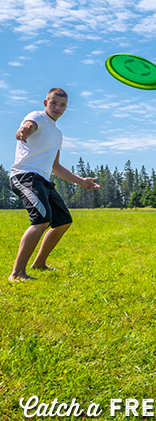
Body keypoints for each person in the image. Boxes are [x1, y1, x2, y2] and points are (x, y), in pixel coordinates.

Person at [9, 88, 99, 281]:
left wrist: (82, 182)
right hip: (25, 176)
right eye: (54, 103)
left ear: (66, 108)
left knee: (63, 220)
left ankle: (40, 263)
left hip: (42, 180)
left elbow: (55, 166)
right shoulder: (37, 117)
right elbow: (28, 126)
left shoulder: (57, 133)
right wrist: (23, 131)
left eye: (62, 105)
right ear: (45, 103)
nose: (57, 107)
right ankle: (17, 274)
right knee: (41, 220)